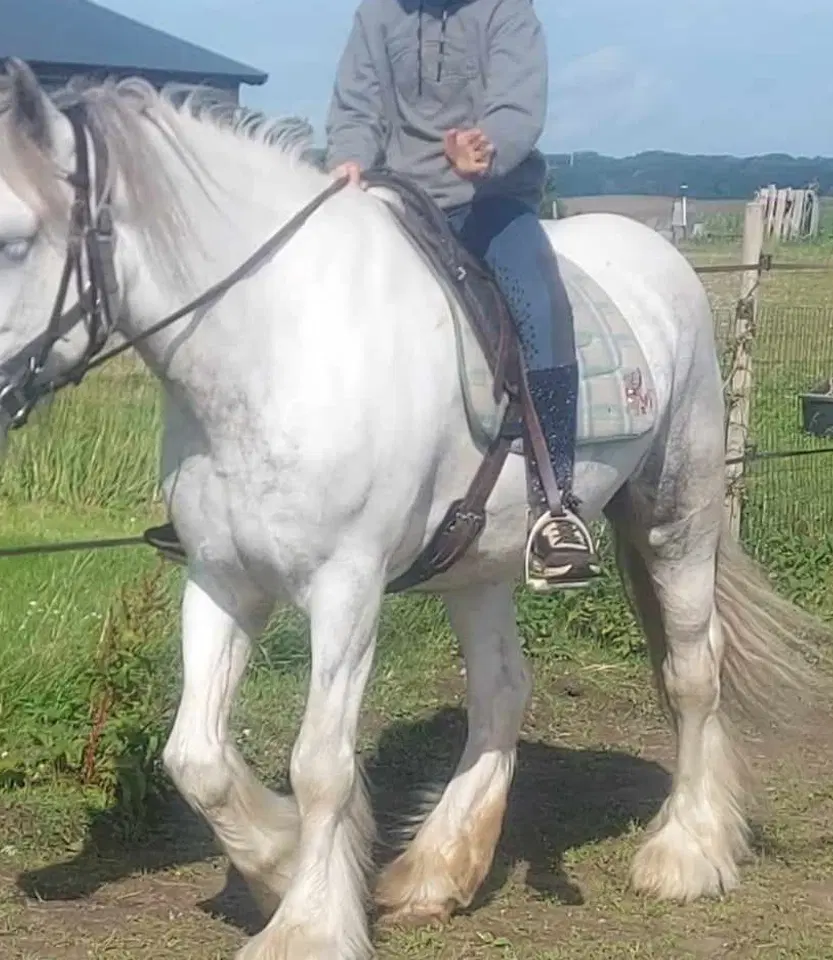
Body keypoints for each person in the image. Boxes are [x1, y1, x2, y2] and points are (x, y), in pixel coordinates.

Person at [143, 0, 602, 589]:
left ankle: (556, 507)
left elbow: (517, 104)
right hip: (396, 201)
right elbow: (357, 103)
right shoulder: (379, 13)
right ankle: (223, 512)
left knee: (540, 303)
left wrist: (486, 150)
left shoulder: (505, 10)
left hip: (489, 202)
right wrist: (349, 159)